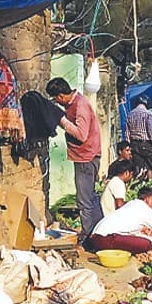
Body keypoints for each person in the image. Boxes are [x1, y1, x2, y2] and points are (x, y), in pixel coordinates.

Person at [47, 78, 103, 235]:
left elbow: (81, 134)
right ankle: (99, 231)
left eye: (56, 99)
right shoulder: (74, 104)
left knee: (84, 200)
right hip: (85, 156)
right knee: (91, 197)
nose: (57, 103)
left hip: (86, 157)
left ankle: (88, 236)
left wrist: (62, 121)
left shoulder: (81, 106)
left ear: (61, 95)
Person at [89, 187, 152, 253]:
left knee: (145, 241)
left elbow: (133, 234)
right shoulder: (144, 209)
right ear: (147, 199)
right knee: (145, 245)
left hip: (95, 237)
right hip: (105, 239)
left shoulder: (132, 204)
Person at [127, 96, 152, 180]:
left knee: (138, 168)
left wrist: (129, 146)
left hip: (134, 144)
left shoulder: (130, 114)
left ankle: (138, 187)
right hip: (146, 144)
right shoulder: (149, 114)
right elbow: (151, 131)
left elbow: (127, 133)